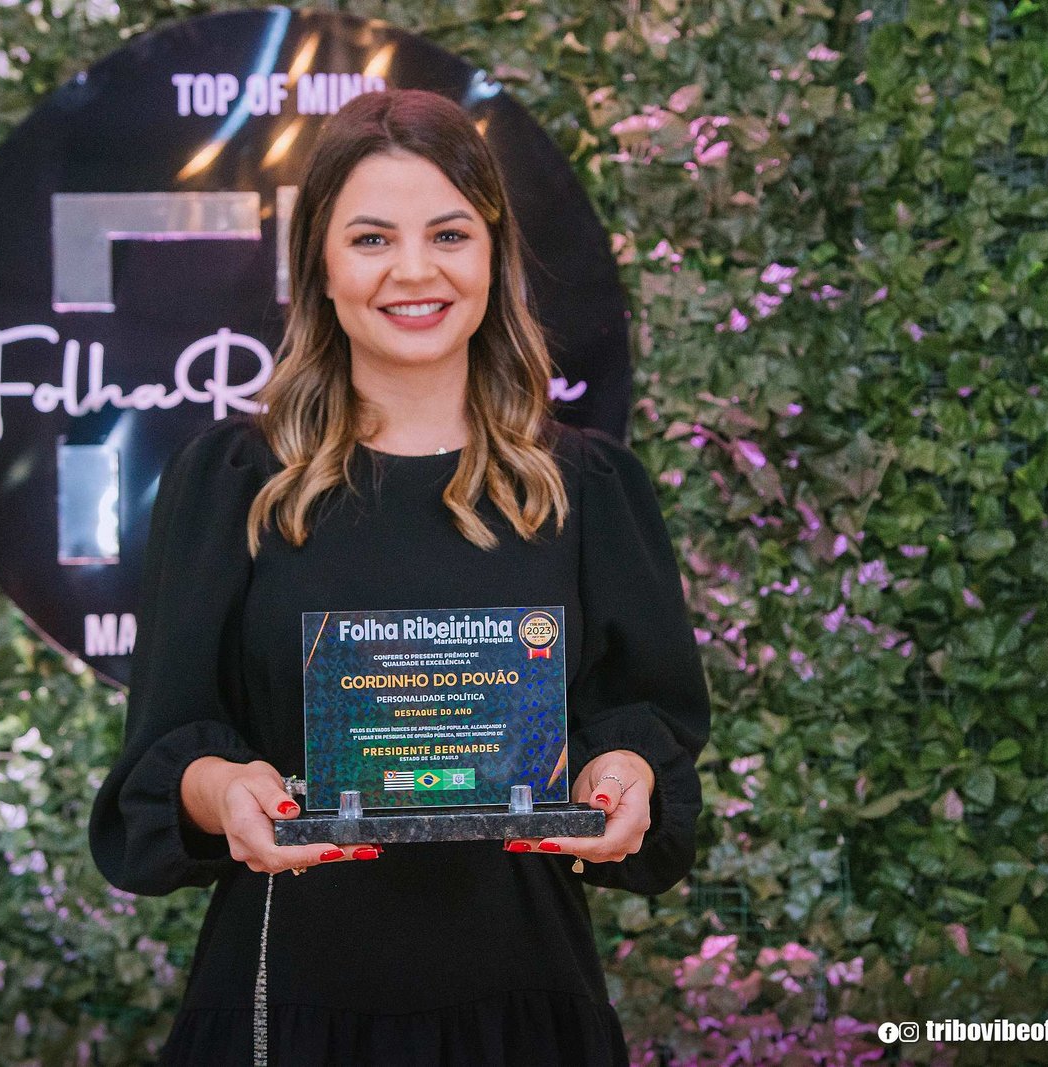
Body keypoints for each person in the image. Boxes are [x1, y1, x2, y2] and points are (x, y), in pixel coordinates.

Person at [89, 88, 711, 1066]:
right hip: (284, 1001)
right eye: (372, 238)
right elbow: (164, 756)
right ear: (320, 266)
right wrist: (226, 790)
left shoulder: (586, 487)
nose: (414, 270)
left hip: (523, 1007)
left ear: (493, 254)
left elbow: (646, 730)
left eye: (449, 234)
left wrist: (622, 776)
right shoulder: (233, 483)